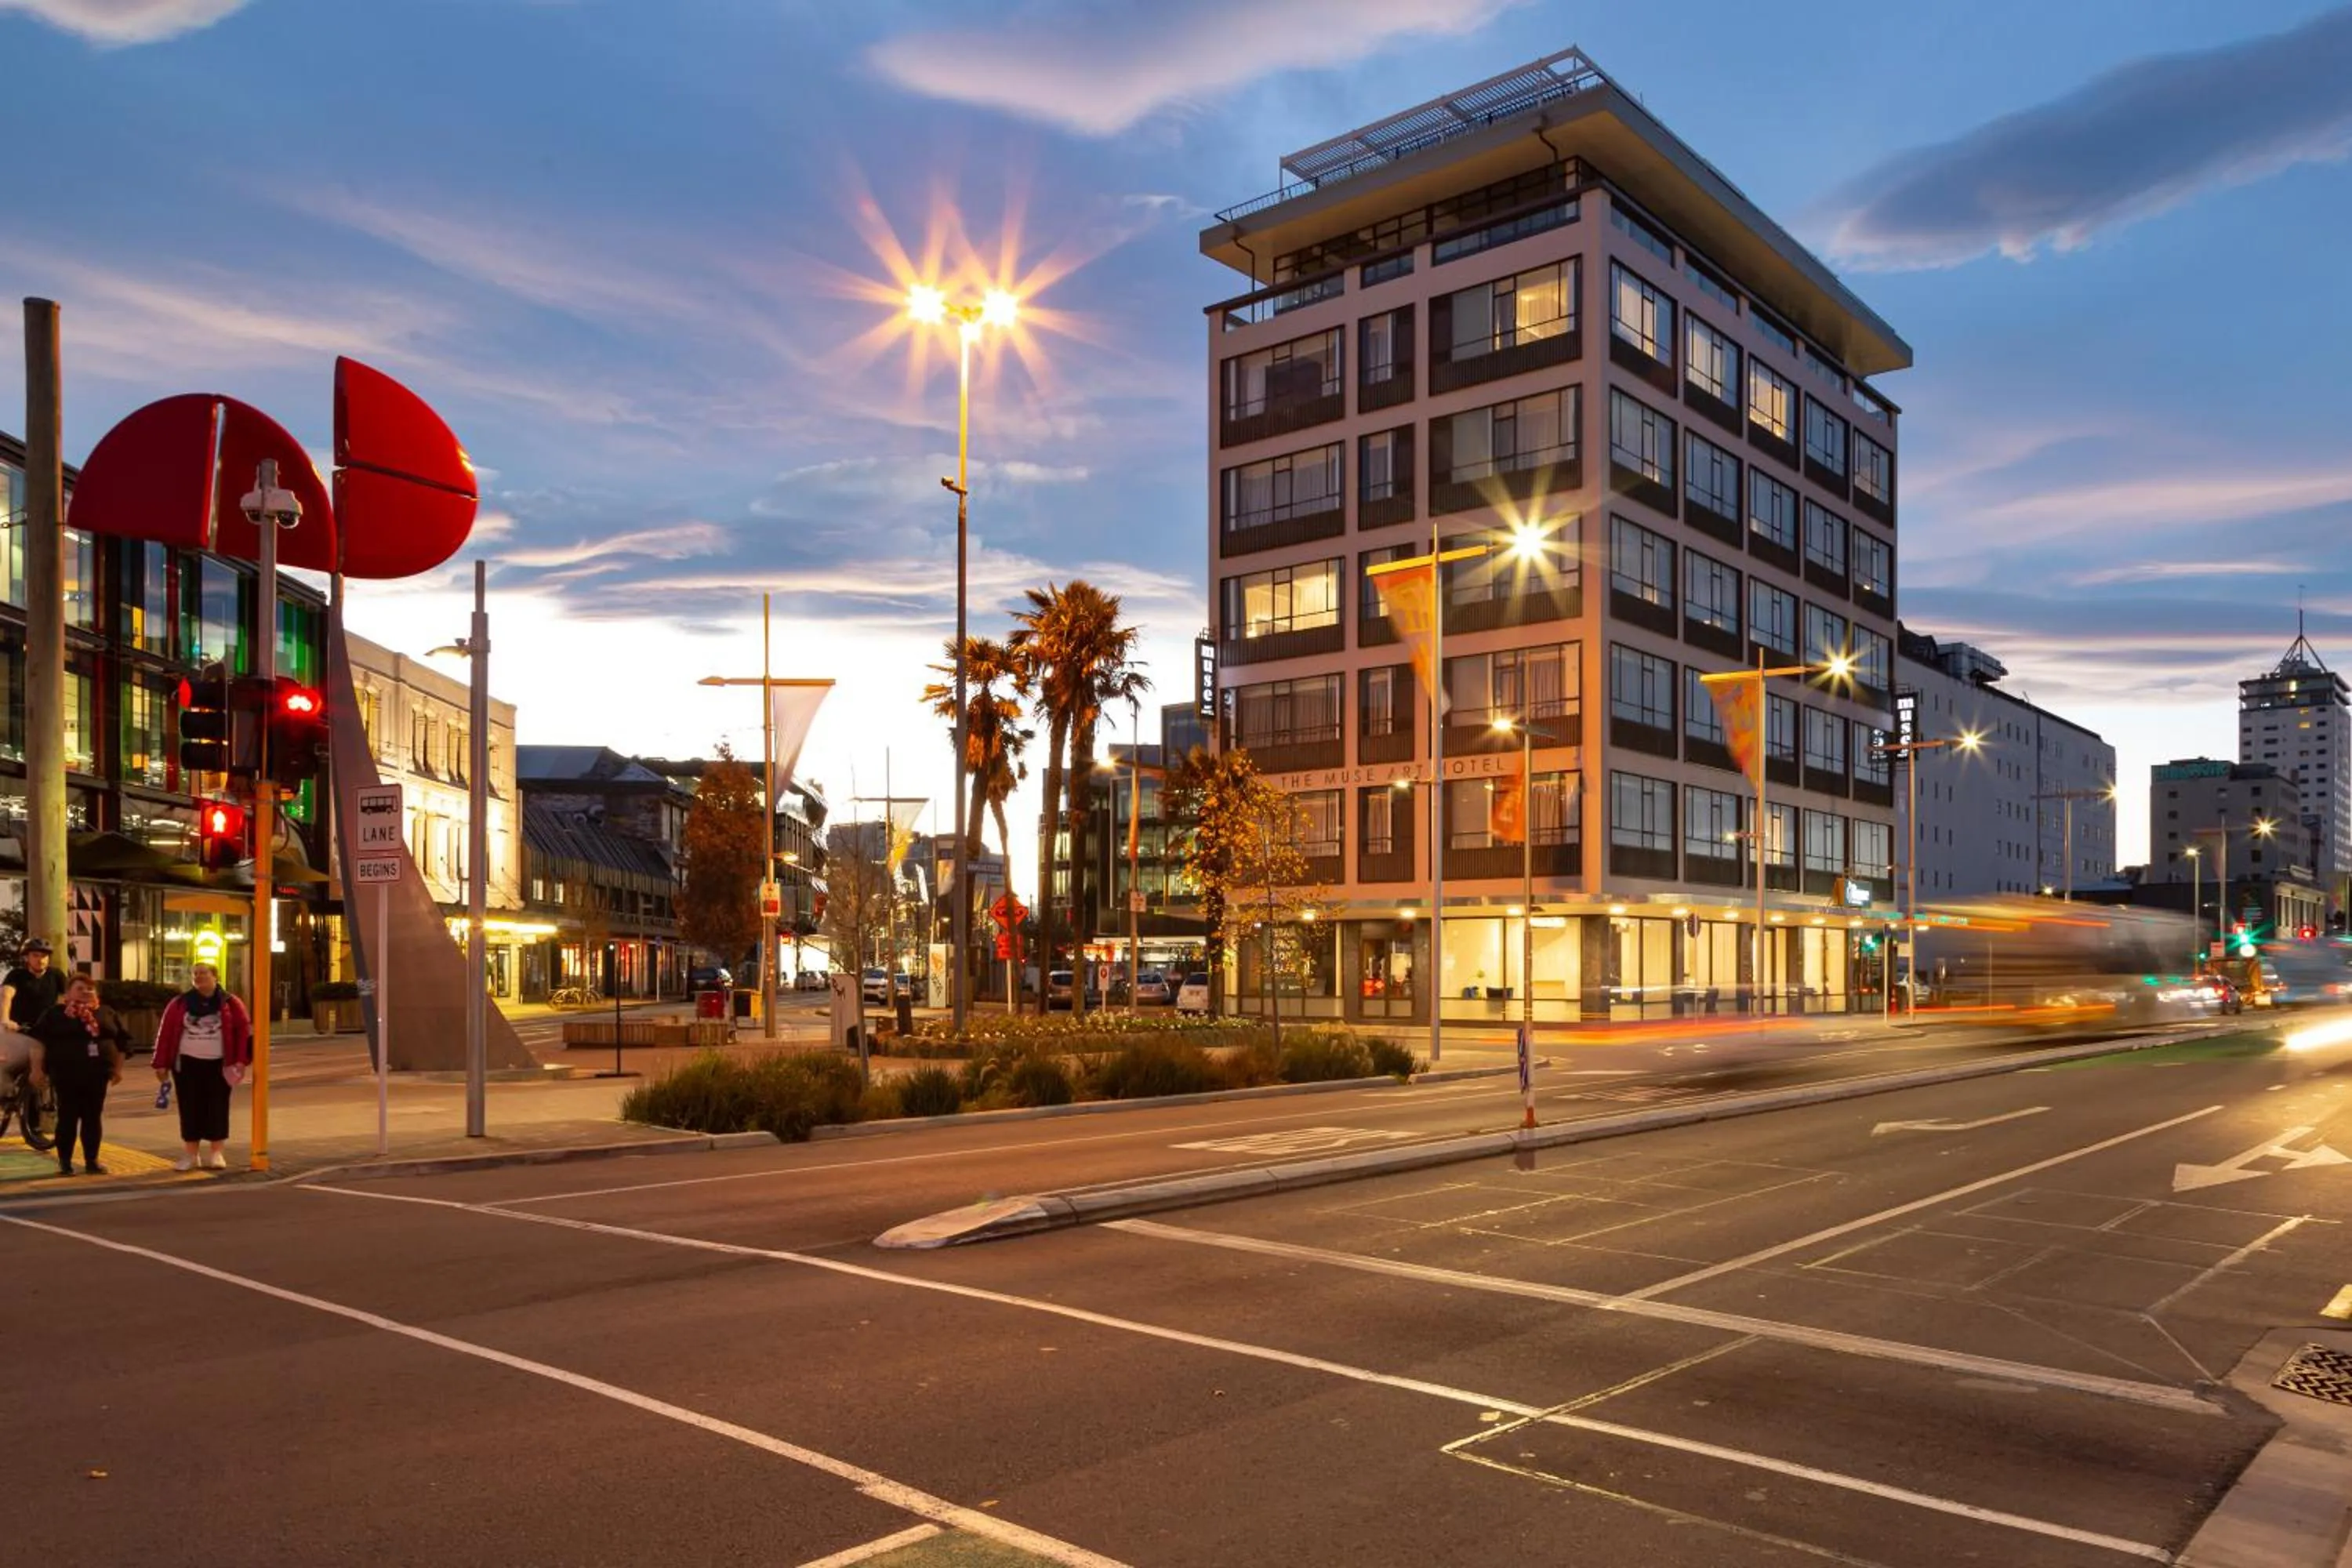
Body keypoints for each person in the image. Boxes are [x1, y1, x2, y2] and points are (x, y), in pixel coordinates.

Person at [26, 972, 129, 1176]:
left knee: (92, 1117)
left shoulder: (106, 1013)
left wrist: (117, 1069)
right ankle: (65, 1162)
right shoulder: (55, 1014)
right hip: (66, 1075)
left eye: (89, 988)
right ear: (69, 993)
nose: (85, 992)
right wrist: (36, 1070)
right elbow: (37, 1043)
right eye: (80, 988)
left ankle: (92, 1161)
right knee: (67, 1118)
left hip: (97, 1075)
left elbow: (122, 1043)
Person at [151, 962, 249, 1171]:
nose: (198, 977)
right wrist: (160, 1064)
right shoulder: (179, 1003)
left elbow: (244, 1032)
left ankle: (216, 1153)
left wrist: (241, 1060)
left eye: (203, 973)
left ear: (215, 976)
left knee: (218, 1107)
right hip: (186, 1064)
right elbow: (165, 1034)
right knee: (189, 1108)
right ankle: (190, 1154)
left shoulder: (231, 1003)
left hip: (220, 1064)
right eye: (195, 974)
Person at [3, 937, 66, 1044]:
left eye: (44, 956)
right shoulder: (16, 975)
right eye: (35, 955)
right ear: (26, 957)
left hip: (47, 1028)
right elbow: (6, 995)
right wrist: (4, 1019)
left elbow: (69, 996)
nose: (40, 960)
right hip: (20, 1028)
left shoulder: (56, 974)